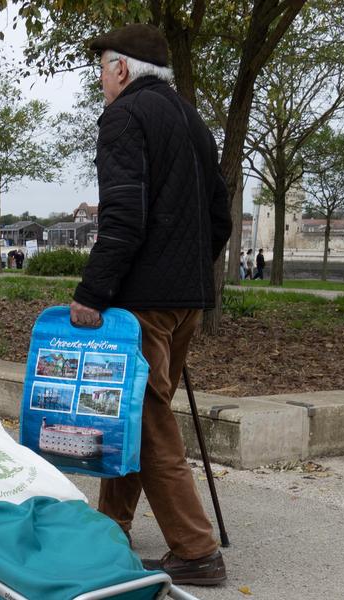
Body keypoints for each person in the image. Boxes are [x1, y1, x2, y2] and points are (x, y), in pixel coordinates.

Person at [69, 24, 232, 586]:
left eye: (102, 68)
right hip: (186, 297)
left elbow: (122, 218)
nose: (99, 79)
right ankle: (110, 524)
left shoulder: (124, 118)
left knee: (148, 420)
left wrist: (92, 293)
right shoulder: (192, 119)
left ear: (121, 68)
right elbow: (220, 220)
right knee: (132, 411)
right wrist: (185, 270)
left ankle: (195, 550)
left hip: (144, 299)